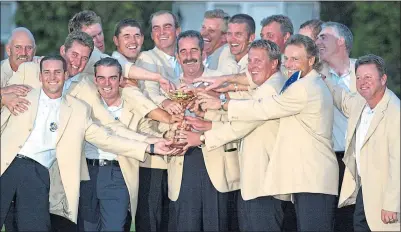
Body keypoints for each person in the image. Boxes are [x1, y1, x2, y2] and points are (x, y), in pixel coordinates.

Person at [0, 55, 178, 231]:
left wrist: (150, 146)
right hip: (5, 166)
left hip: (38, 174)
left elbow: (107, 137)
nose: (52, 77)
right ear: (40, 76)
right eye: (46, 72)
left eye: (57, 72)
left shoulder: (78, 110)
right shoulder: (21, 94)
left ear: (65, 74)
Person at [198, 34, 339, 231]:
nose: (288, 64)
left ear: (311, 60)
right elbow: (263, 76)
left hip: (312, 177)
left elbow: (263, 108)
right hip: (306, 178)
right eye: (287, 58)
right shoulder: (299, 79)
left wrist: (222, 103)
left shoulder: (304, 88)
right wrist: (228, 81)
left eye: (295, 59)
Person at [185, 39, 289, 231]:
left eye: (258, 61)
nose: (252, 67)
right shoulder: (267, 84)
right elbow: (242, 113)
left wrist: (202, 137)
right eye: (250, 61)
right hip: (257, 183)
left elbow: (242, 126)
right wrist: (208, 117)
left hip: (265, 184)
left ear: (274, 63)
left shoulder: (270, 89)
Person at [78, 57, 175, 231]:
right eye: (101, 78)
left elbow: (145, 131)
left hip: (118, 173)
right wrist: (150, 145)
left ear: (121, 79)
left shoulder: (132, 105)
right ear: (95, 80)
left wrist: (165, 137)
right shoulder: (85, 103)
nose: (106, 83)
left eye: (112, 78)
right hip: (86, 173)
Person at [167, 30, 240, 232]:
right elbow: (159, 126)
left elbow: (239, 123)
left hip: (217, 165)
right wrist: (172, 130)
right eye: (183, 51)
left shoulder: (221, 82)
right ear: (177, 56)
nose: (189, 56)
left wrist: (203, 131)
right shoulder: (169, 87)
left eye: (194, 50)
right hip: (182, 166)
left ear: (203, 54)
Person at [323, 54, 400, 231]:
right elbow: (342, 98)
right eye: (358, 77)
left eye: (368, 77)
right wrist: (324, 78)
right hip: (364, 190)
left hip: (386, 195)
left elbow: (398, 164)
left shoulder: (395, 113)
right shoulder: (360, 103)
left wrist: (391, 204)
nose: (362, 82)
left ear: (383, 79)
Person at [133, 10, 183, 232]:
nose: (162, 32)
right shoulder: (146, 59)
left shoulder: (185, 59)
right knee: (151, 218)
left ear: (177, 30)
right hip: (154, 157)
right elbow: (149, 94)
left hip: (180, 155)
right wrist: (166, 103)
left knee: (172, 220)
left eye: (167, 26)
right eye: (156, 28)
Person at [316, 21, 357, 231]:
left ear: (341, 41)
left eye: (324, 37)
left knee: (350, 222)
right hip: (323, 161)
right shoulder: (313, 74)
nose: (317, 41)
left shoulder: (363, 71)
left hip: (356, 162)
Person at [200, 9, 238, 74]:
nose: (204, 33)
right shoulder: (207, 56)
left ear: (224, 37)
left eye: (211, 30)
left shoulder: (226, 56)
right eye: (203, 27)